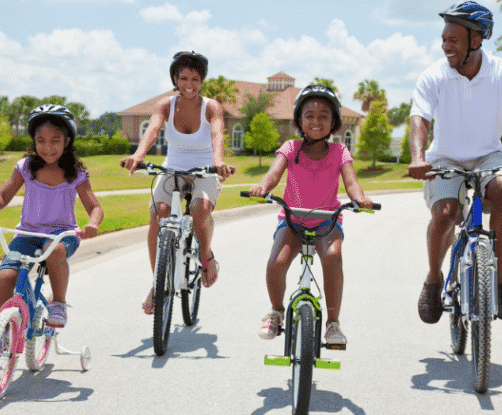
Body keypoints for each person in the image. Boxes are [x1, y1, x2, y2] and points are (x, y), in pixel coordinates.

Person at [407, 1, 502, 324]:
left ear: (477, 40)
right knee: (445, 213)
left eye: (453, 39)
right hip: (445, 156)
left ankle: (500, 285)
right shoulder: (433, 76)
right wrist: (418, 157)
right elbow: (419, 121)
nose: (445, 46)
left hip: (488, 154)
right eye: (443, 39)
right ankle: (432, 280)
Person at [249, 85, 374, 345]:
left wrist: (359, 199)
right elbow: (273, 174)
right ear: (299, 121)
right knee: (277, 261)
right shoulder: (291, 148)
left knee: (333, 256)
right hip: (292, 220)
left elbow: (351, 183)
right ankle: (276, 311)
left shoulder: (340, 152)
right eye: (309, 115)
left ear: (334, 123)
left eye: (323, 116)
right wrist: (263, 186)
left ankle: (333, 324)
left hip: (327, 222)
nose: (316, 121)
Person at [120, 51, 235, 314]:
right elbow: (152, 130)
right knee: (158, 213)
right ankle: (157, 285)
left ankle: (206, 255)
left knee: (199, 209)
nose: (189, 84)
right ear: (175, 78)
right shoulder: (166, 105)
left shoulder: (211, 106)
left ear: (202, 80)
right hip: (173, 167)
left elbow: (217, 134)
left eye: (195, 78)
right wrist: (138, 156)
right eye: (183, 78)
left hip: (204, 168)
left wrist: (218, 162)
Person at [0, 104, 104, 328]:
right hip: (27, 234)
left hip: (62, 236)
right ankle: (2, 331)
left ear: (67, 141)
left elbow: (95, 207)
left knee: (53, 248)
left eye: (55, 140)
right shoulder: (26, 167)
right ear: (33, 141)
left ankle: (59, 303)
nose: (47, 147)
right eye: (40, 140)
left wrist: (92, 224)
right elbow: (4, 194)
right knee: (5, 278)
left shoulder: (76, 173)